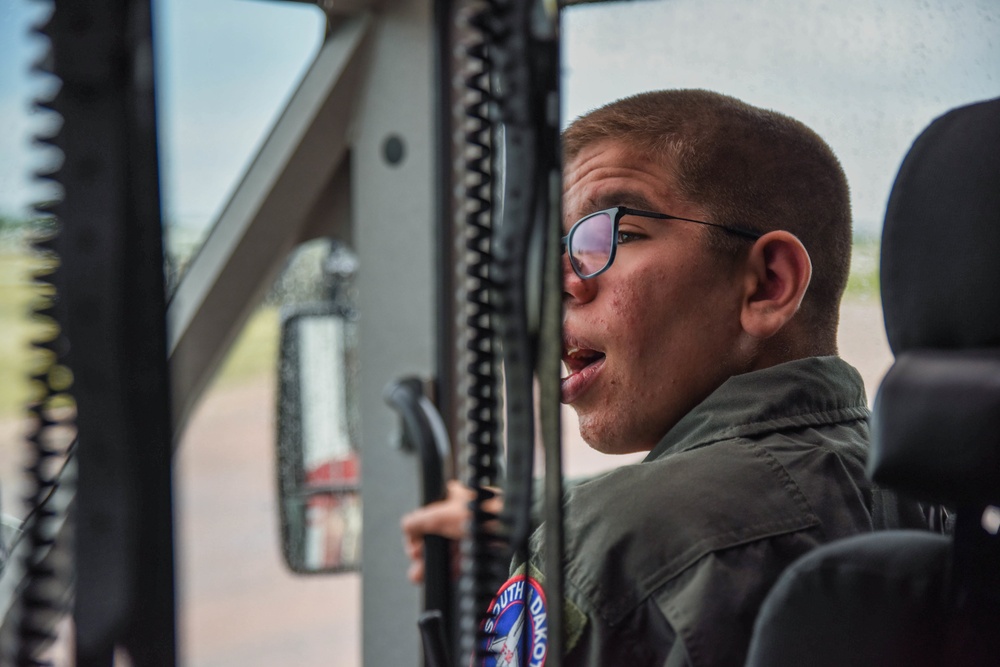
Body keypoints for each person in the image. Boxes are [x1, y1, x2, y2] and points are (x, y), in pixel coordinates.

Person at [402, 89, 937, 666]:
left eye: (612, 235)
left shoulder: (615, 549)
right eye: (554, 252)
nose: (560, 285)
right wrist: (518, 514)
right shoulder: (918, 488)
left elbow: (655, 524)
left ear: (767, 284)